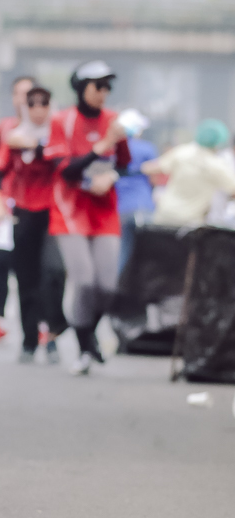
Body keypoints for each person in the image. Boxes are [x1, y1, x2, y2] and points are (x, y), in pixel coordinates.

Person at [46, 59, 131, 375]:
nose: (103, 92)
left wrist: (111, 177)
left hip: (104, 210)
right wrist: (102, 146)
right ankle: (84, 347)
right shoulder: (62, 121)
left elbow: (123, 163)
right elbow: (65, 170)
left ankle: (87, 331)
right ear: (81, 88)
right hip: (70, 210)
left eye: (108, 87)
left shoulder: (114, 120)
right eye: (98, 86)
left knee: (107, 286)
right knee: (83, 281)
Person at [0, 84, 68, 363]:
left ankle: (53, 331)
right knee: (26, 277)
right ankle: (29, 339)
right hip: (23, 211)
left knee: (53, 271)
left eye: (44, 103)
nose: (38, 109)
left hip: (53, 212)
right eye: (32, 103)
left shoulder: (59, 134)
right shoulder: (13, 136)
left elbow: (63, 162)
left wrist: (38, 145)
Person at [0, 75, 39, 342]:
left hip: (39, 207)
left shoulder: (52, 127)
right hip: (9, 203)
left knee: (38, 268)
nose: (23, 100)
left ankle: (42, 324)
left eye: (29, 94)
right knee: (0, 262)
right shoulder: (5, 127)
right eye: (18, 94)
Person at [145, 120, 235, 228]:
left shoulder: (182, 152)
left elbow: (150, 168)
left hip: (165, 214)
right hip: (188, 222)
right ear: (219, 141)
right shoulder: (216, 166)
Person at [114, 108, 157, 275]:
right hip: (142, 206)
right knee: (143, 251)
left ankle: (114, 282)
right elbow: (154, 178)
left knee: (119, 250)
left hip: (118, 206)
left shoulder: (113, 147)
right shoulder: (147, 148)